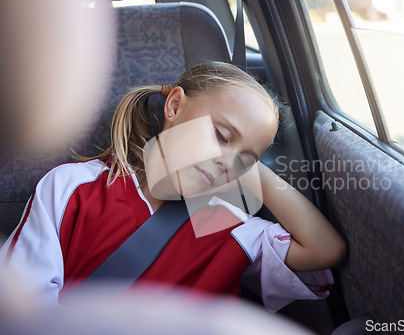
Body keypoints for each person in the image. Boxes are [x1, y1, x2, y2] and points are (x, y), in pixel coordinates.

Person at [0, 61, 346, 312]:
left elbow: (323, 249)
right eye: (221, 135)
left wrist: (250, 169)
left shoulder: (222, 223)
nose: (229, 162)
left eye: (246, 160)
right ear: (175, 105)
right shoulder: (73, 187)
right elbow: (24, 307)